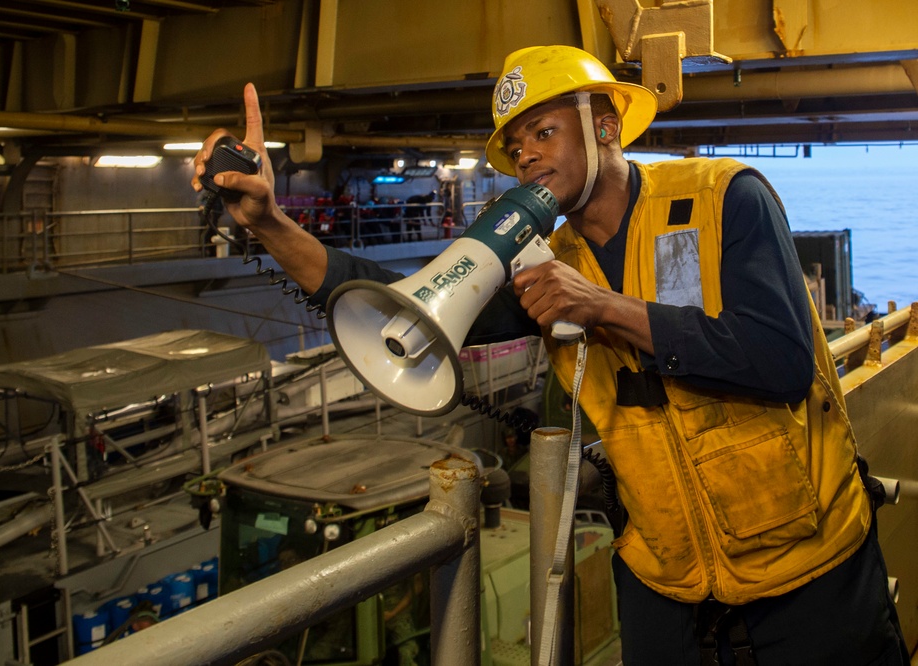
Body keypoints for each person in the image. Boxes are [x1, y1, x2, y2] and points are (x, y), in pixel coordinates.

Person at [191, 45, 907, 665]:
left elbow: (779, 359)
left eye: (542, 130)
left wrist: (603, 307)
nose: (526, 154)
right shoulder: (541, 266)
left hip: (810, 580)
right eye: (516, 146)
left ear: (604, 126)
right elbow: (385, 296)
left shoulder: (724, 198)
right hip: (667, 594)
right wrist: (270, 222)